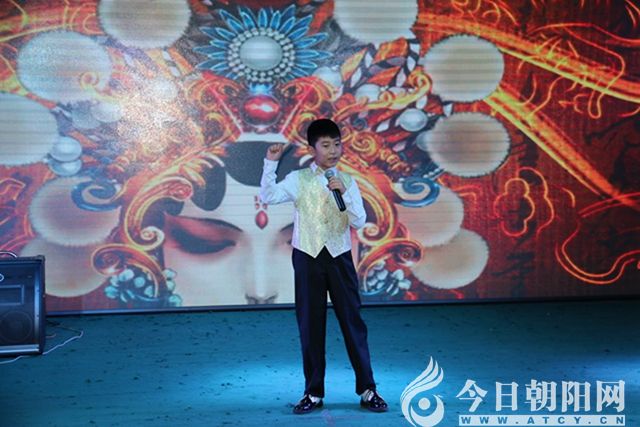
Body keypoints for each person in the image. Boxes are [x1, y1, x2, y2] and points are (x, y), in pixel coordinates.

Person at [260, 118, 388, 414]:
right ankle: (313, 392)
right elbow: (268, 196)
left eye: (337, 144)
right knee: (310, 324)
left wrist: (343, 192)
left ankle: (368, 389)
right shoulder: (298, 179)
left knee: (352, 322)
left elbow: (359, 221)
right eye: (326, 145)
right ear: (312, 149)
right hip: (307, 256)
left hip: (339, 256)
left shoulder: (348, 182)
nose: (333, 151)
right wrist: (270, 164)